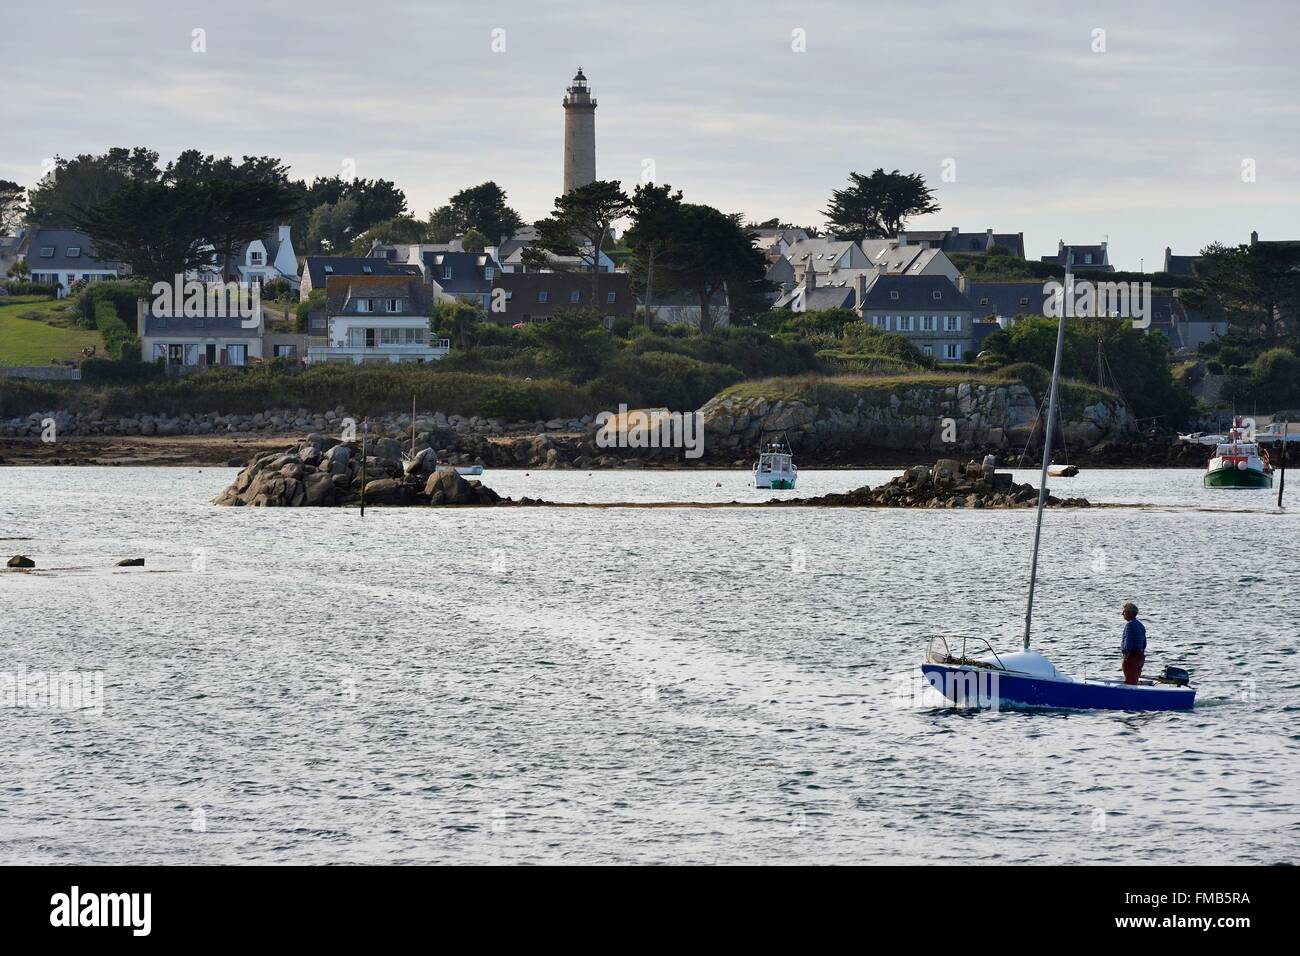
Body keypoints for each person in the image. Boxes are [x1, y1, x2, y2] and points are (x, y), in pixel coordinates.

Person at [1120, 602, 1146, 685]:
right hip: (1140, 656)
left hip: (1132, 657)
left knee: (1130, 681)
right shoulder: (1140, 625)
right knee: (1135, 680)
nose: (1122, 614)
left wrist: (1126, 657)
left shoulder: (1130, 625)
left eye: (1124, 612)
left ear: (1129, 613)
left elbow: (1128, 642)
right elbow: (1144, 643)